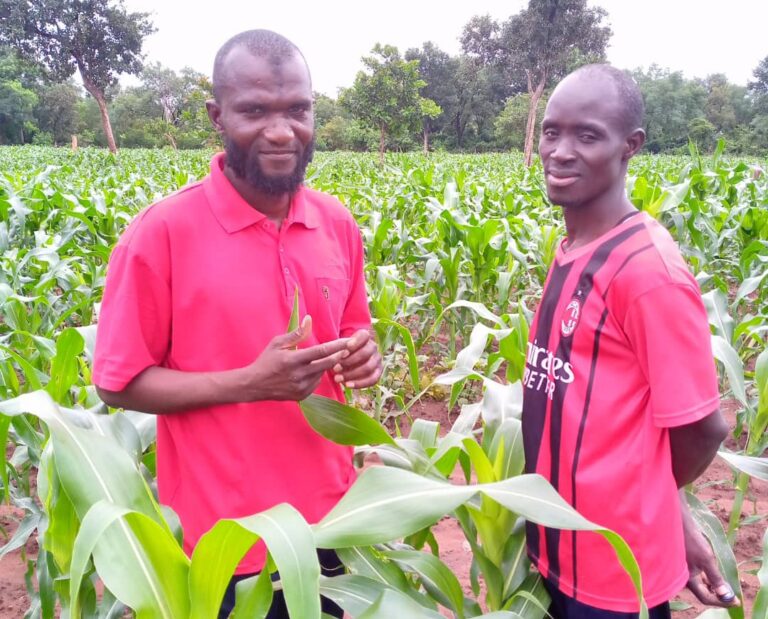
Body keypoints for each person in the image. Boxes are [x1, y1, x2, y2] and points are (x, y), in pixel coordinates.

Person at [92, 29, 382, 619]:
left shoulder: (335, 223)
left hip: (333, 524)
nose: (282, 131)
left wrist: (364, 354)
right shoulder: (162, 233)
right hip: (225, 542)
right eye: (255, 111)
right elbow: (117, 383)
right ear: (217, 116)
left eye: (297, 109)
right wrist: (250, 382)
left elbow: (356, 331)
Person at [521, 64, 736, 618]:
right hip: (555, 543)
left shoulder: (647, 274)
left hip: (614, 570)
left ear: (630, 146)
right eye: (551, 132)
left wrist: (653, 505)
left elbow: (702, 428)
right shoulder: (573, 248)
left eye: (587, 136)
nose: (560, 152)